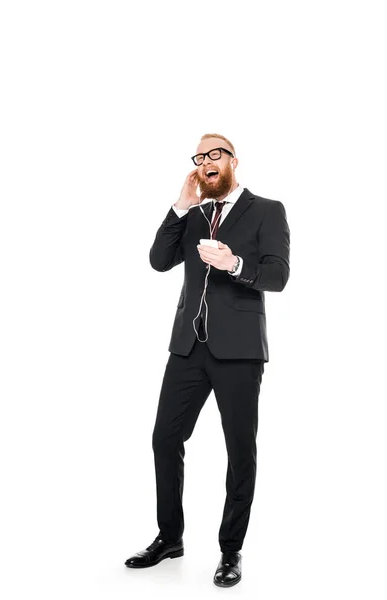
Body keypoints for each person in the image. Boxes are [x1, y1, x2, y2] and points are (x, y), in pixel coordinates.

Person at [124, 133, 290, 587]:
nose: (205, 161)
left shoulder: (267, 210)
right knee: (165, 437)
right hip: (188, 348)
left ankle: (230, 550)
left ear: (233, 160)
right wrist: (180, 204)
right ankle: (169, 537)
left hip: (239, 351)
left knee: (240, 451)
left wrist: (234, 264)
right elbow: (159, 261)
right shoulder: (194, 215)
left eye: (214, 153)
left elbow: (278, 276)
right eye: (199, 156)